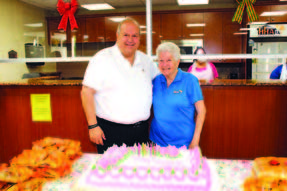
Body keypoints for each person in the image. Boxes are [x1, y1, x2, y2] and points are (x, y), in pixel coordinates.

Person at [81, 18, 159, 154]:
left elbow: (160, 81)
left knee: (137, 171)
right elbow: (86, 92)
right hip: (110, 132)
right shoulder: (102, 58)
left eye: (134, 36)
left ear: (139, 39)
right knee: (111, 172)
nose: (130, 39)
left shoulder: (146, 60)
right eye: (126, 35)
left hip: (140, 132)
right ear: (117, 36)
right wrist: (93, 125)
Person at [150, 42, 206, 149]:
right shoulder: (155, 80)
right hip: (157, 143)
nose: (164, 64)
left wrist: (195, 140)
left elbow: (201, 111)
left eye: (169, 60)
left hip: (183, 144)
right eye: (161, 61)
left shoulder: (190, 80)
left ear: (178, 61)